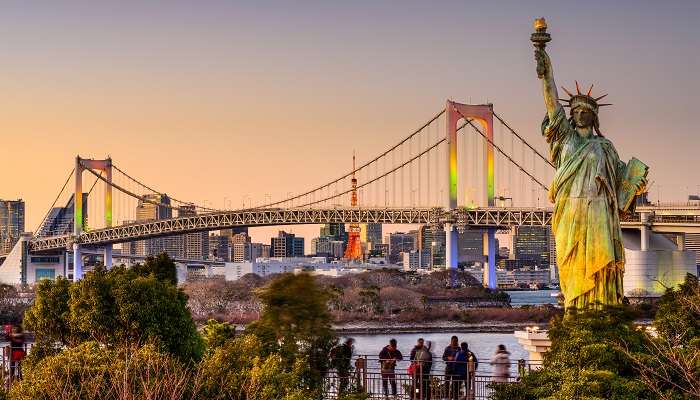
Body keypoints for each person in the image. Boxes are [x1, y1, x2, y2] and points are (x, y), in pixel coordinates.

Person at [534, 32, 647, 309]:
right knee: (572, 262)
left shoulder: (605, 147)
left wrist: (635, 187)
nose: (580, 114)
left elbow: (622, 186)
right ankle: (575, 307)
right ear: (569, 116)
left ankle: (603, 307)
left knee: (601, 263)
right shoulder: (565, 138)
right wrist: (543, 60)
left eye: (586, 110)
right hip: (570, 211)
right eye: (576, 110)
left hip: (599, 211)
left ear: (594, 116)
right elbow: (551, 100)